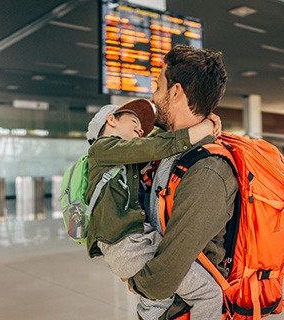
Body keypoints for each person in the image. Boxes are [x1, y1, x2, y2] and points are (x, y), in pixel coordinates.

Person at [126, 45, 239, 319]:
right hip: (159, 307)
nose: (152, 96)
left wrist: (132, 279)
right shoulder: (168, 149)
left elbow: (164, 276)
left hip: (181, 311)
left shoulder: (207, 172)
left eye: (158, 86)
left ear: (175, 92)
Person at [85, 98, 223, 320]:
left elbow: (155, 144)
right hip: (128, 246)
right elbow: (154, 147)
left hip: (134, 243)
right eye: (134, 121)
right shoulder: (101, 149)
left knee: (158, 304)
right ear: (111, 120)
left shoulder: (121, 159)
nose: (140, 129)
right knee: (208, 294)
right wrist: (205, 127)